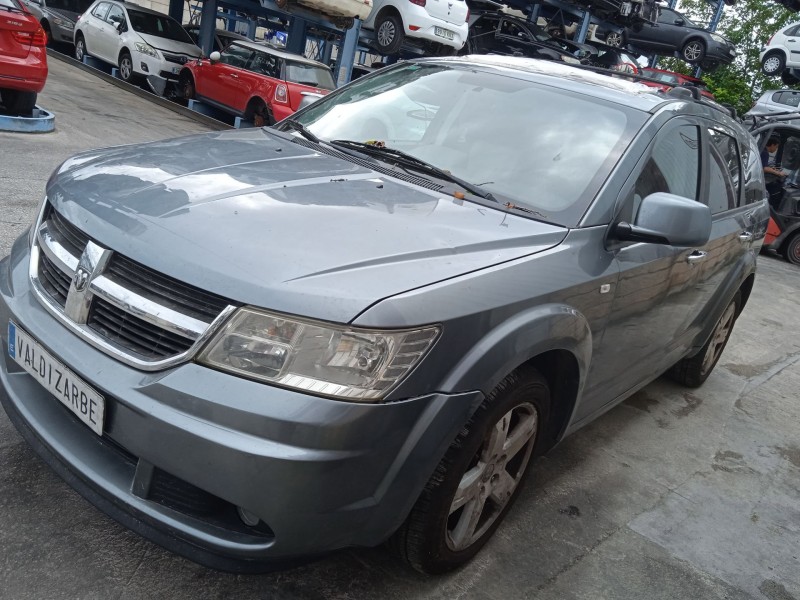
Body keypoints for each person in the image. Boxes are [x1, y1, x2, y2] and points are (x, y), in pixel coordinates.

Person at [762, 136, 786, 209]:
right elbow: (764, 168)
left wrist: (771, 168)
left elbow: (763, 165)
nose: (776, 149)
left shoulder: (762, 150)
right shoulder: (764, 153)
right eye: (776, 147)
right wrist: (778, 173)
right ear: (772, 145)